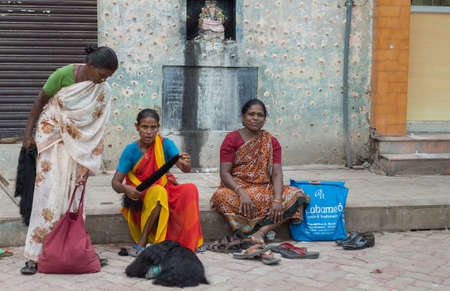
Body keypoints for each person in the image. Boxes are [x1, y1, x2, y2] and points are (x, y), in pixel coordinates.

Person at [20, 45, 118, 275]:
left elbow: (98, 126)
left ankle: (75, 250)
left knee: (74, 201)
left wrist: (88, 162)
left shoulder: (102, 89)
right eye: (101, 74)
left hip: (81, 148)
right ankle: (35, 255)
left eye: (108, 77)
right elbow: (39, 102)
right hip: (53, 141)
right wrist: (27, 134)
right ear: (90, 65)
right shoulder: (62, 75)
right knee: (47, 196)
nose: (103, 80)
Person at [210, 99, 310, 245]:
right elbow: (224, 173)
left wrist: (276, 199)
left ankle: (261, 232)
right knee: (220, 196)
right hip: (237, 189)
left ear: (264, 119)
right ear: (243, 117)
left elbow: (276, 173)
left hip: (264, 189)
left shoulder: (271, 142)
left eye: (260, 115)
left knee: (297, 195)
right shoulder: (231, 139)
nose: (255, 118)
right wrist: (241, 192)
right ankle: (244, 231)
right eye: (251, 114)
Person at [111, 109, 204, 254]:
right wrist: (126, 189)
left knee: (190, 189)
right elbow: (115, 183)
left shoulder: (165, 144)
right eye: (144, 127)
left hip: (164, 187)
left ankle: (190, 239)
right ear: (137, 127)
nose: (149, 132)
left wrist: (185, 163)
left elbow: (183, 166)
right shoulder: (130, 150)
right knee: (158, 192)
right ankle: (143, 241)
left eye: (153, 127)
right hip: (140, 194)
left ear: (158, 127)